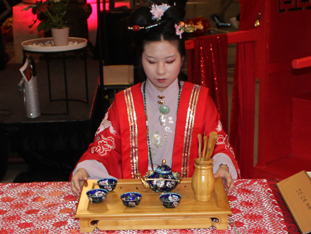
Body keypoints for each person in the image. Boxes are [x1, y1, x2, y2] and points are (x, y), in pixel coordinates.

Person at [71, 2, 240, 196]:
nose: (161, 71)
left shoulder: (200, 101)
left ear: (182, 58)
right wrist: (86, 168)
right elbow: (104, 149)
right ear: (140, 58)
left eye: (170, 61)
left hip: (189, 200)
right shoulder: (125, 103)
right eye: (151, 61)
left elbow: (217, 144)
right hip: (136, 203)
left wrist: (223, 167)